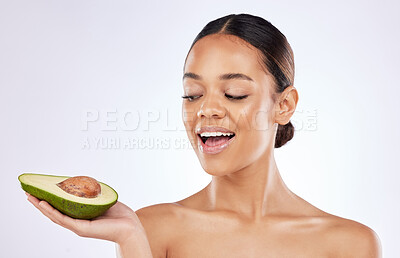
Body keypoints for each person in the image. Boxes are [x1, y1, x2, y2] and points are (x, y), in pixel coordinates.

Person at [26, 13, 382, 257]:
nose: (205, 110)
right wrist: (131, 240)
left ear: (284, 105)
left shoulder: (350, 244)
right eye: (192, 94)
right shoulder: (151, 229)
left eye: (234, 94)